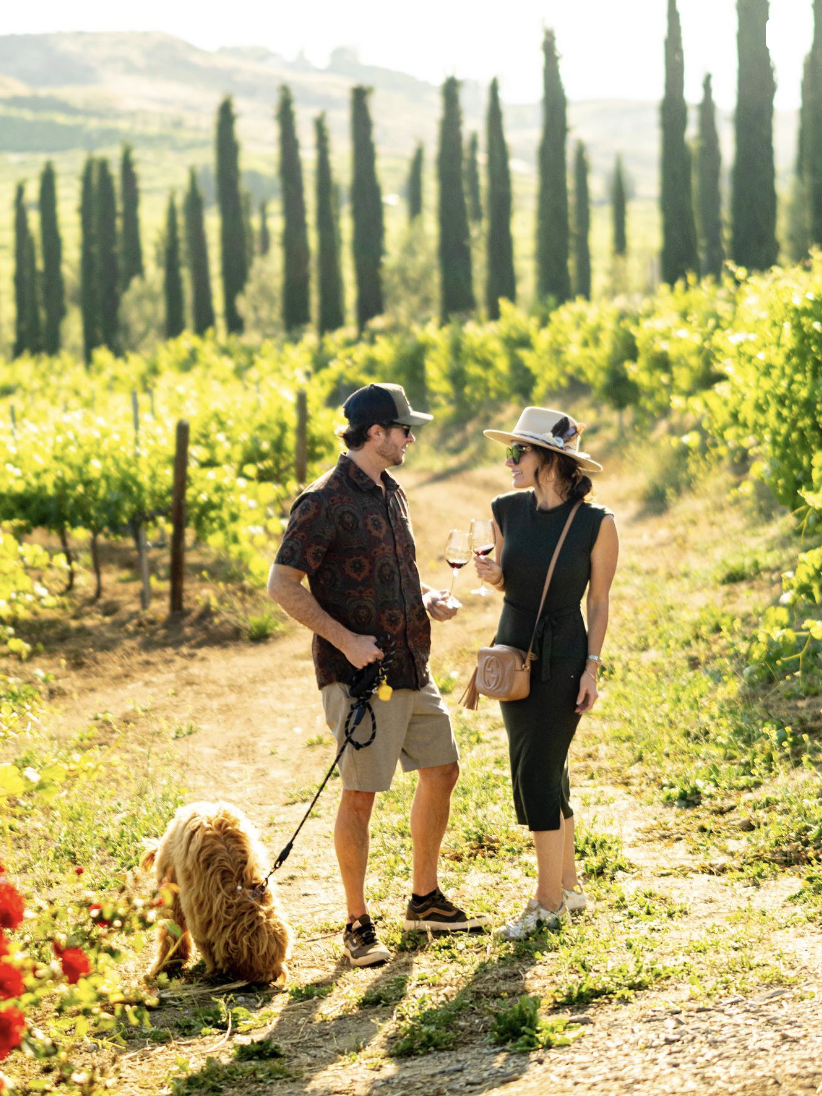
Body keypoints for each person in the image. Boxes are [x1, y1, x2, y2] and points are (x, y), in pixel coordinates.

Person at [268, 382, 489, 967]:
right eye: (403, 429)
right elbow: (281, 585)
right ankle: (357, 923)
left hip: (413, 662)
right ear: (374, 433)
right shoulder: (321, 501)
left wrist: (428, 598)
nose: (410, 437)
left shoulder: (393, 493)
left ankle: (423, 899)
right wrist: (345, 639)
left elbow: (398, 573)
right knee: (361, 795)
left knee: (443, 769)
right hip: (358, 677)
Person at [474, 406, 619, 940]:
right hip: (511, 653)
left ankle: (547, 901)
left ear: (550, 459)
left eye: (520, 451)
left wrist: (592, 668)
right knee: (544, 769)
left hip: (563, 656)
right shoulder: (505, 509)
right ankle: (569, 887)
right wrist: (492, 576)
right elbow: (510, 579)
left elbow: (599, 602)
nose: (509, 461)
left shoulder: (596, 523)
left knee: (537, 771)